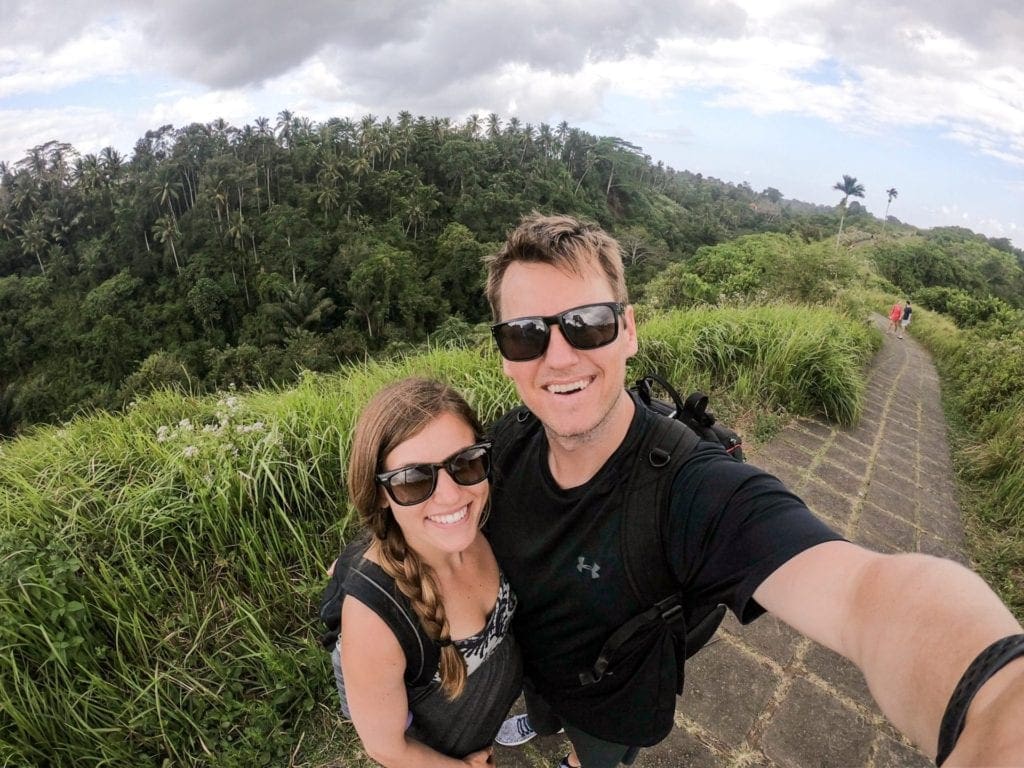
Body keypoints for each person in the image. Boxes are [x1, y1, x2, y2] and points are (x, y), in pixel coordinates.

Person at [483, 213, 1024, 768]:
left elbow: (867, 594)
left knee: (596, 756)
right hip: (539, 669)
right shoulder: (506, 441)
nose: (558, 356)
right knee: (545, 710)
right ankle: (543, 719)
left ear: (629, 330)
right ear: (505, 356)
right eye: (525, 333)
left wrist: (997, 698)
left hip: (616, 700)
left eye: (587, 322)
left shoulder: (694, 489)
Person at [334, 377, 523, 767]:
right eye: (414, 480)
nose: (452, 495)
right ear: (381, 494)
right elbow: (387, 747)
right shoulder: (374, 619)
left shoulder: (490, 522)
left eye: (465, 462)